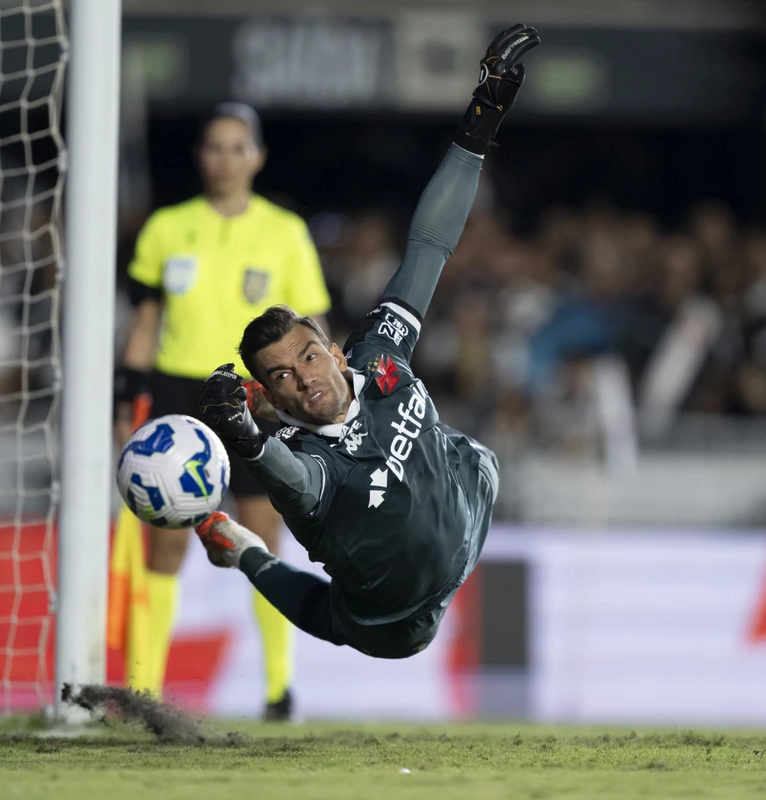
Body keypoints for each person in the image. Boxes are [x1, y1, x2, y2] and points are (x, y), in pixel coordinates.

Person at [193, 25, 538, 658]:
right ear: (271, 396)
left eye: (307, 355)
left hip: (470, 505)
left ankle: (242, 548)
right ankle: (245, 552)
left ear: (328, 344)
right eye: (281, 379)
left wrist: (483, 115)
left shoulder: (378, 352)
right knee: (336, 620)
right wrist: (244, 437)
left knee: (478, 456)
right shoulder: (309, 467)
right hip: (401, 618)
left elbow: (430, 245)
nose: (304, 377)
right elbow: (290, 481)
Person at [117, 102, 331, 718]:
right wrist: (125, 399)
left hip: (252, 396)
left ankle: (278, 690)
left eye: (239, 147)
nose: (226, 158)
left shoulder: (285, 231)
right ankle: (143, 690)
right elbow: (146, 321)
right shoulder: (166, 227)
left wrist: (310, 397)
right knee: (164, 546)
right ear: (200, 155)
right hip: (176, 394)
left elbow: (308, 327)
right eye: (215, 146)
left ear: (257, 156)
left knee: (261, 538)